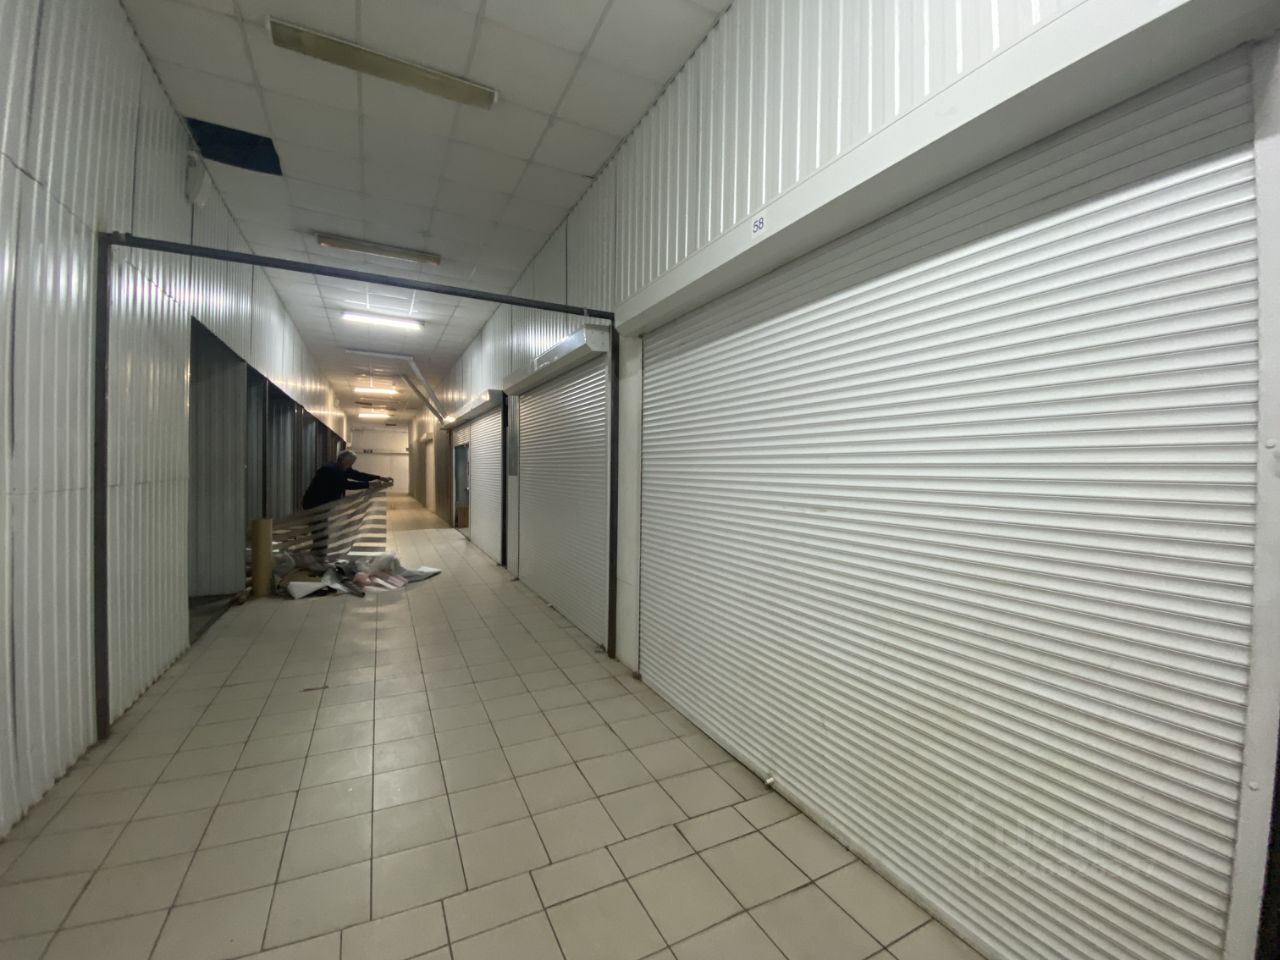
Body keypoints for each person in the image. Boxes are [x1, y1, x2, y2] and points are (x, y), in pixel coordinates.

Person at [302, 451, 392, 510]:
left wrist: (379, 477)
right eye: (350, 463)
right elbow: (345, 485)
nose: (351, 465)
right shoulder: (329, 470)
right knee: (319, 528)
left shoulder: (343, 468)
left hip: (325, 503)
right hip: (314, 503)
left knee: (321, 528)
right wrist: (368, 485)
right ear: (343, 460)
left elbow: (359, 475)